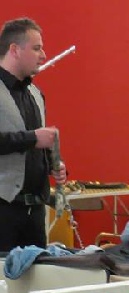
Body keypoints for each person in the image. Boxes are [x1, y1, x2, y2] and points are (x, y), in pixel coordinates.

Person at [0, 17, 67, 252]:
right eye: (37, 48)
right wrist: (32, 138)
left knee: (36, 279)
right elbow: (32, 138)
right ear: (15, 50)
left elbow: (38, 144)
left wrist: (53, 165)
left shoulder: (36, 93)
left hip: (35, 212)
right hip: (3, 210)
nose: (44, 55)